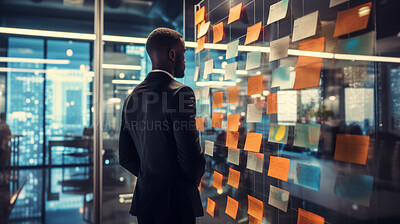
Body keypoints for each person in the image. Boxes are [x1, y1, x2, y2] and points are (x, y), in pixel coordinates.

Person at [119, 28, 205, 224]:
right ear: (172, 54)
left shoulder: (131, 98)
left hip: (146, 202)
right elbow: (191, 158)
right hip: (176, 204)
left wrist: (152, 176)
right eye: (183, 54)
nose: (185, 60)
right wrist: (186, 181)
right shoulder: (181, 93)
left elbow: (125, 157)